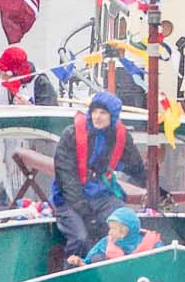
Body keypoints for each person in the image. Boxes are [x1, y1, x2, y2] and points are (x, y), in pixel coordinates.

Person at [49, 90, 146, 255]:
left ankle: (120, 269)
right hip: (68, 199)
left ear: (112, 117)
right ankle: (72, 272)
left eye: (103, 113)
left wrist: (155, 188)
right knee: (81, 238)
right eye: (94, 111)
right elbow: (66, 177)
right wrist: (84, 210)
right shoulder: (71, 135)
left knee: (127, 226)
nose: (97, 117)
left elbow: (135, 166)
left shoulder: (119, 136)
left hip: (101, 195)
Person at [83, 206, 158, 264]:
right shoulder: (105, 243)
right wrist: (79, 262)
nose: (109, 232)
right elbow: (88, 264)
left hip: (145, 279)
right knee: (97, 258)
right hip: (113, 280)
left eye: (113, 228)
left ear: (125, 231)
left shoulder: (152, 243)